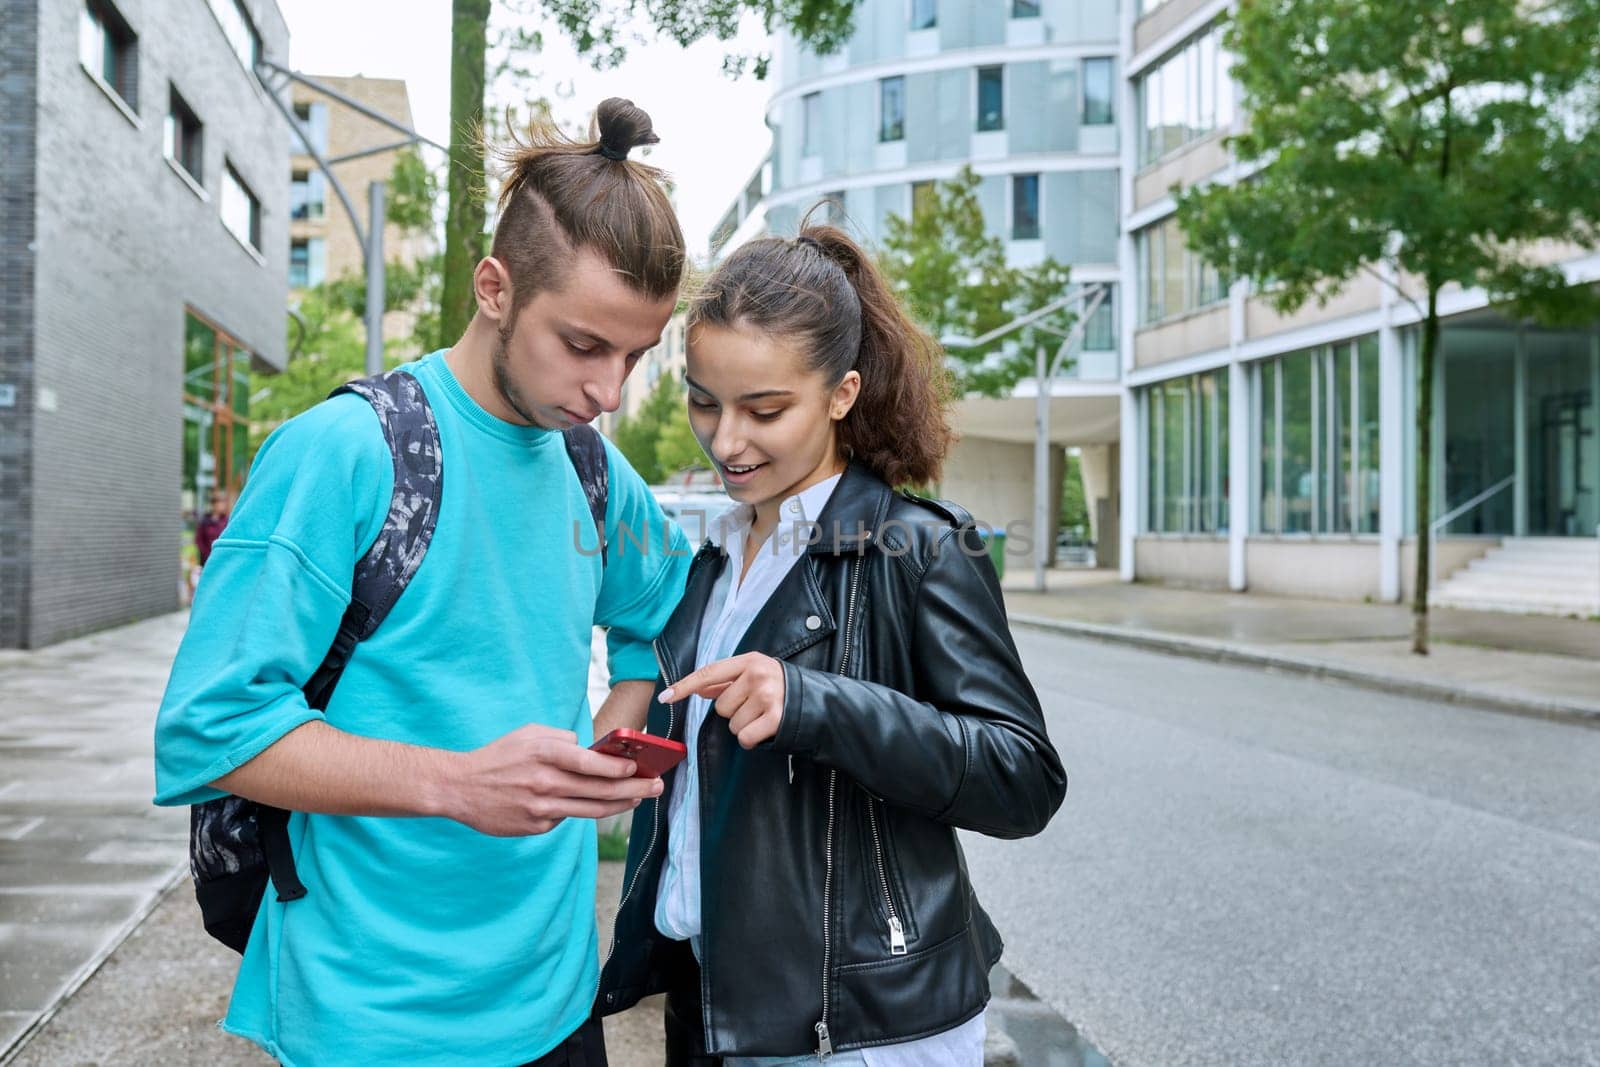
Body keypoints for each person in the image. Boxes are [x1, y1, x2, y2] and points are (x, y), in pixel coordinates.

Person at [154, 99, 691, 1066]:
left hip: (561, 995)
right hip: (371, 1014)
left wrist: (619, 718)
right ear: (494, 287)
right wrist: (458, 784)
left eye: (635, 357)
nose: (609, 393)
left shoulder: (597, 472)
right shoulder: (345, 452)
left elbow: (661, 608)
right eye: (582, 345)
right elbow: (211, 724)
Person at [597, 224, 1068, 1064]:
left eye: (765, 409)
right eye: (704, 400)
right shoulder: (708, 554)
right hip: (713, 1002)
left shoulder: (924, 549)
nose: (726, 440)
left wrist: (817, 703)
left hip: (862, 1028)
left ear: (843, 393)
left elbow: (1023, 775)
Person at [194, 490, 230, 567]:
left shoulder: (227, 521)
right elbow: (198, 540)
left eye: (223, 503)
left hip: (222, 559)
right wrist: (207, 554)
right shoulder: (205, 521)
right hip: (207, 559)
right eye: (220, 503)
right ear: (214, 504)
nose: (222, 506)